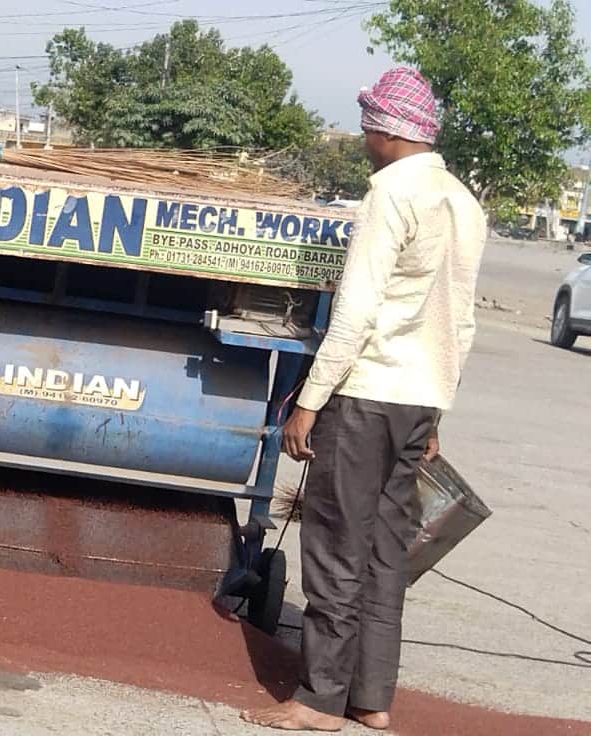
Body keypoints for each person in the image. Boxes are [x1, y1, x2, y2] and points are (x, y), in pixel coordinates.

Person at [241, 67, 485, 732]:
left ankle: (318, 699)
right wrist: (436, 409)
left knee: (335, 547)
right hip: (417, 400)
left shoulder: (390, 196)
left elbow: (355, 312)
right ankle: (371, 700)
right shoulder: (463, 203)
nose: (363, 138)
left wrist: (310, 401)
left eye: (367, 127)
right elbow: (460, 322)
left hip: (367, 394)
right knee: (384, 552)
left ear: (388, 132)